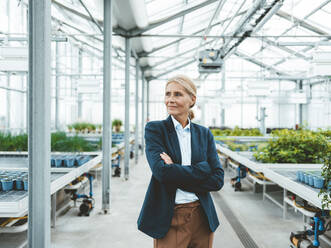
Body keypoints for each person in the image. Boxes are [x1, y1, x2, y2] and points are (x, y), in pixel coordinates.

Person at [137, 75, 224, 248]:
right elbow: (162, 172)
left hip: (203, 216)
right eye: (167, 94)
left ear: (192, 99)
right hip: (170, 216)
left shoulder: (204, 133)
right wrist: (202, 169)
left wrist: (175, 171)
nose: (170, 99)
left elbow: (217, 180)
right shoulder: (155, 129)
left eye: (177, 94)